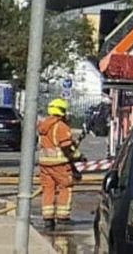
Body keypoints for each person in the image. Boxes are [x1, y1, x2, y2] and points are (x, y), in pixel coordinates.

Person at [36, 98, 79, 231]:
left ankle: (48, 219)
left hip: (45, 164)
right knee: (65, 187)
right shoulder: (61, 126)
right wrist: (77, 156)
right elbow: (66, 146)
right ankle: (63, 217)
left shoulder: (43, 125)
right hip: (59, 164)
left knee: (48, 189)